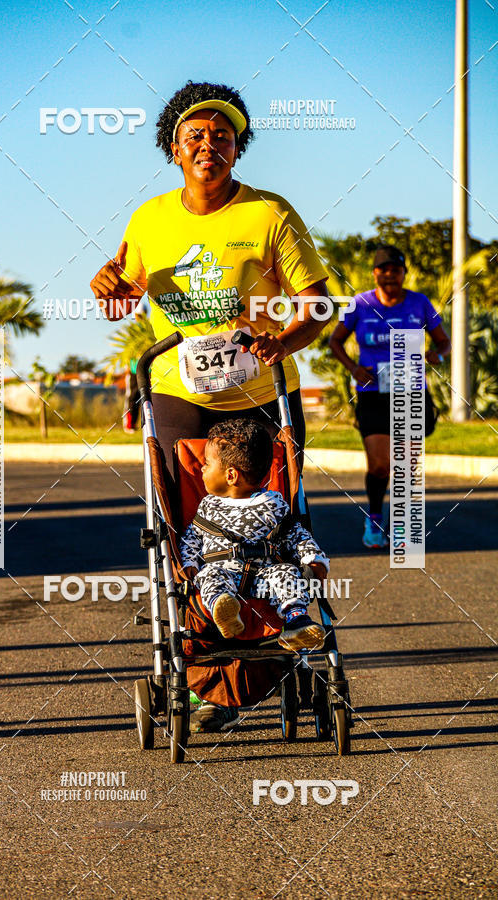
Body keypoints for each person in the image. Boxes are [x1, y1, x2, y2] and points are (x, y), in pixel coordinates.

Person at [90, 80, 330, 731]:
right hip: (176, 391)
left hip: (255, 393)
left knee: (260, 527)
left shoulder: (269, 214)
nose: (207, 145)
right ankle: (204, 675)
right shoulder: (150, 219)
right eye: (194, 136)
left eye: (221, 135)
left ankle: (267, 656)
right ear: (174, 150)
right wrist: (106, 282)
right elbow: (120, 298)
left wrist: (286, 338)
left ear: (237, 148)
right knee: (188, 535)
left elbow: (317, 303)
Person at [329, 245, 451, 549]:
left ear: (403, 273)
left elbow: (444, 342)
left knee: (406, 464)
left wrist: (437, 355)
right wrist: (354, 368)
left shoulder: (419, 303)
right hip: (372, 393)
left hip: (411, 390)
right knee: (380, 464)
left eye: (395, 270)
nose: (389, 275)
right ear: (375, 273)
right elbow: (335, 341)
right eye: (383, 270)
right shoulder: (360, 304)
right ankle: (374, 517)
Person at [179, 419, 328, 653]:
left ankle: (297, 621)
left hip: (265, 576)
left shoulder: (273, 504)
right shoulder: (208, 506)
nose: (202, 469)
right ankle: (225, 610)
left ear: (230, 475)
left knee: (286, 573)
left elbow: (296, 534)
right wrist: (188, 562)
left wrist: (312, 557)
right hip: (224, 571)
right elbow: (193, 537)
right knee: (210, 575)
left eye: (207, 464)